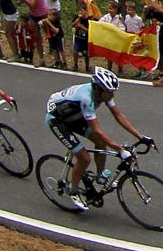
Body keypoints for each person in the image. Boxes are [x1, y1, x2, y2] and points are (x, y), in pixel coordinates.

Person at [44, 69, 151, 212]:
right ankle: (73, 190)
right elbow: (97, 130)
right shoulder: (86, 99)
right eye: (110, 92)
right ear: (98, 89)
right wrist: (120, 150)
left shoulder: (103, 94)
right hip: (57, 121)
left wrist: (141, 137)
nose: (112, 95)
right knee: (84, 159)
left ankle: (100, 175)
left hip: (74, 116)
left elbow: (119, 116)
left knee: (100, 144)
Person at [71, 0, 102, 71]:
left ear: (85, 11)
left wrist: (81, 27)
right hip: (78, 38)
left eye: (81, 11)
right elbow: (72, 25)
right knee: (75, 51)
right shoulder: (77, 18)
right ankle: (75, 65)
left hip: (86, 39)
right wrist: (76, 22)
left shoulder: (88, 20)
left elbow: (90, 30)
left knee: (86, 53)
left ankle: (87, 66)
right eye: (78, 11)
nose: (80, 12)